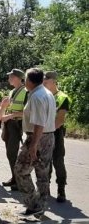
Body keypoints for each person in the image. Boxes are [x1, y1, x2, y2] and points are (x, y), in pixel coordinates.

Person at [14, 68, 56, 216]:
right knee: (42, 173)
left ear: (30, 81)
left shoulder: (37, 96)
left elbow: (39, 123)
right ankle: (40, 206)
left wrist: (33, 145)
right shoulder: (46, 93)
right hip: (48, 136)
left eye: (25, 79)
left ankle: (34, 204)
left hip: (37, 137)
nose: (24, 81)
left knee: (20, 170)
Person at [43, 71, 71, 203]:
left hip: (55, 133)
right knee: (45, 162)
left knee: (58, 161)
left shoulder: (62, 97)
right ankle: (45, 187)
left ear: (54, 82)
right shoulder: (43, 96)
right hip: (43, 133)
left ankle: (61, 189)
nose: (43, 83)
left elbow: (59, 120)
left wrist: (47, 130)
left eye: (46, 81)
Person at [1, 68, 27, 190]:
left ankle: (19, 180)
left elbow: (28, 113)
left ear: (17, 78)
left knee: (14, 153)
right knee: (10, 153)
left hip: (19, 125)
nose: (9, 79)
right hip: (9, 125)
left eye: (11, 76)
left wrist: (11, 115)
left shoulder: (26, 92)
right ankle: (14, 178)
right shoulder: (12, 92)